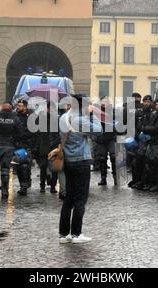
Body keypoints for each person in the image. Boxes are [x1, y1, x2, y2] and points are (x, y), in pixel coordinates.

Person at [59, 94, 103, 244]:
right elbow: (99, 130)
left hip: (68, 161)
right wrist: (92, 115)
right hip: (81, 161)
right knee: (80, 199)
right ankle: (76, 234)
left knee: (69, 198)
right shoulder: (80, 119)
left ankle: (64, 234)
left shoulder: (63, 117)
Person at [34, 102, 61, 194]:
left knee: (53, 168)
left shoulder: (56, 119)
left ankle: (52, 186)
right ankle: (43, 186)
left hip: (52, 146)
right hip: (44, 146)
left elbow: (59, 133)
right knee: (43, 167)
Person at [129, 95, 154, 190]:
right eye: (145, 102)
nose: (146, 103)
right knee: (137, 162)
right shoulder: (138, 113)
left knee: (148, 163)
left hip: (150, 141)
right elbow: (134, 125)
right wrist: (136, 136)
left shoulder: (153, 113)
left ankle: (145, 182)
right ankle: (136, 180)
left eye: (148, 102)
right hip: (139, 140)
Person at [95, 98, 118, 186]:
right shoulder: (97, 112)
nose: (104, 104)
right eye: (103, 102)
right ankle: (103, 178)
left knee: (113, 157)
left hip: (111, 137)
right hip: (101, 138)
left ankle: (115, 178)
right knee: (102, 159)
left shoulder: (113, 112)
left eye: (106, 102)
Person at [14, 99, 33, 196]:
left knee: (24, 166)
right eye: (18, 105)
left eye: (20, 105)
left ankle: (24, 186)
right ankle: (24, 183)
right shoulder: (15, 116)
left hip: (26, 144)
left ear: (25, 107)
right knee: (18, 166)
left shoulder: (30, 117)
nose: (18, 107)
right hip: (17, 144)